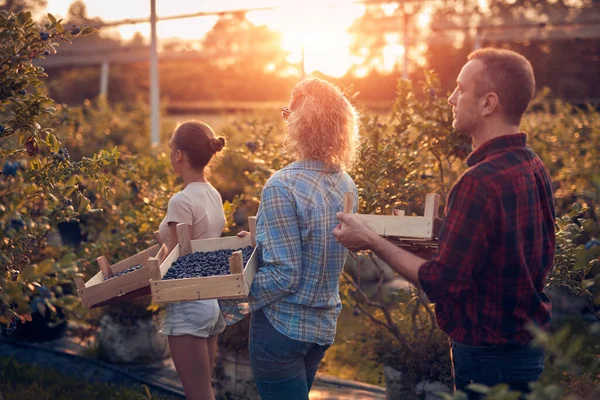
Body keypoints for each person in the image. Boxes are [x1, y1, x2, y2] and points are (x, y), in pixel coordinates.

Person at [333, 48, 556, 398]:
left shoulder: (478, 183)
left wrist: (373, 240)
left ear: (488, 104)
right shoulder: (532, 165)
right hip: (526, 348)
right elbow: (508, 253)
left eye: (460, 89)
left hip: (486, 358)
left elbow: (442, 284)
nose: (451, 99)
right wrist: (433, 234)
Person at [225, 78, 360, 400]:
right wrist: (261, 241)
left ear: (300, 123)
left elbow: (285, 275)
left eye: (288, 114)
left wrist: (227, 293)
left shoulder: (282, 185)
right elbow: (315, 244)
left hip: (280, 327)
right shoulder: (346, 184)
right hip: (321, 326)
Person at [157, 120, 227, 400]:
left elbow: (174, 258)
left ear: (179, 155)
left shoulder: (182, 200)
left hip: (187, 303)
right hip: (210, 302)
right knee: (204, 392)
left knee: (197, 395)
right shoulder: (213, 194)